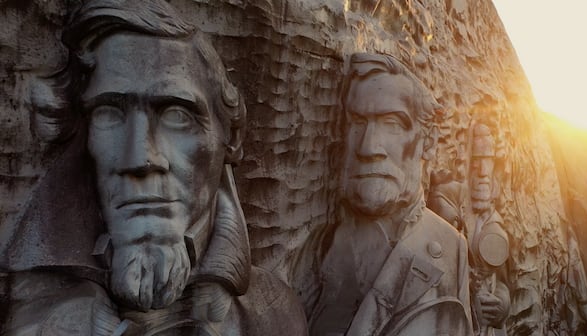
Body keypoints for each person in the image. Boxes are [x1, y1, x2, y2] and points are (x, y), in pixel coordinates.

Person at [0, 1, 307, 335]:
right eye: (109, 113)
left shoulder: (274, 315)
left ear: (231, 136)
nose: (140, 158)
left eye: (176, 115)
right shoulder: (28, 324)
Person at [308, 53, 473, 336]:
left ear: (429, 141)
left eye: (392, 124)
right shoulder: (318, 248)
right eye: (358, 123)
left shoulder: (451, 247)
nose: (369, 147)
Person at [466, 122, 510, 336]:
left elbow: (501, 279)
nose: (483, 172)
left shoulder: (494, 220)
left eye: (489, 161)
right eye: (476, 161)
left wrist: (502, 303)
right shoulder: (450, 214)